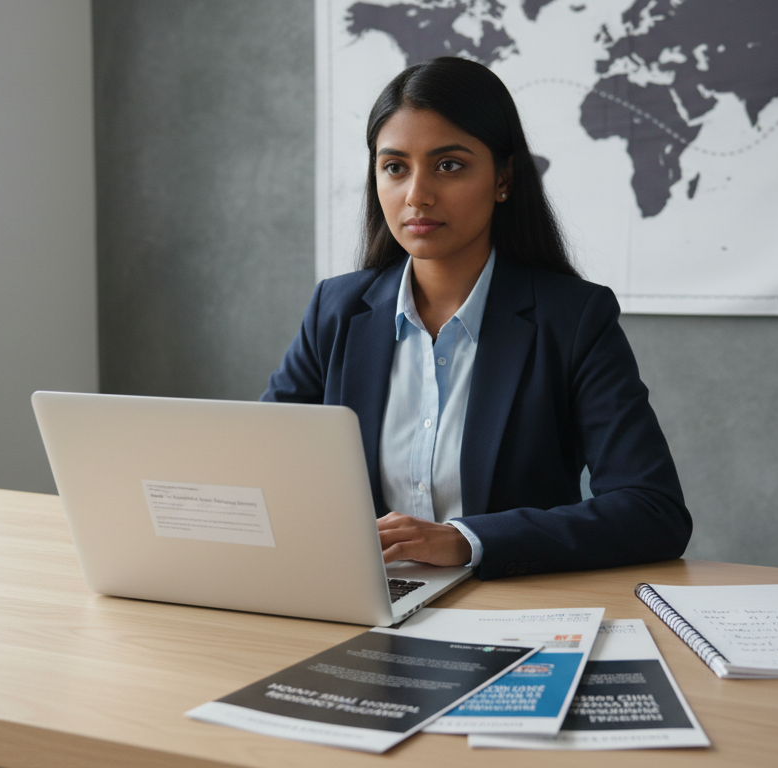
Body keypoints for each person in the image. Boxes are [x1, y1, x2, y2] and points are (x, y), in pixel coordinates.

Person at [262, 57, 691, 580]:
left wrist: (466, 540)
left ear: (503, 178)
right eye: (395, 167)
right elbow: (265, 471)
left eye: (449, 165)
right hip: (364, 604)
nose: (417, 194)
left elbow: (653, 511)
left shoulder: (573, 319)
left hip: (510, 611)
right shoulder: (336, 310)